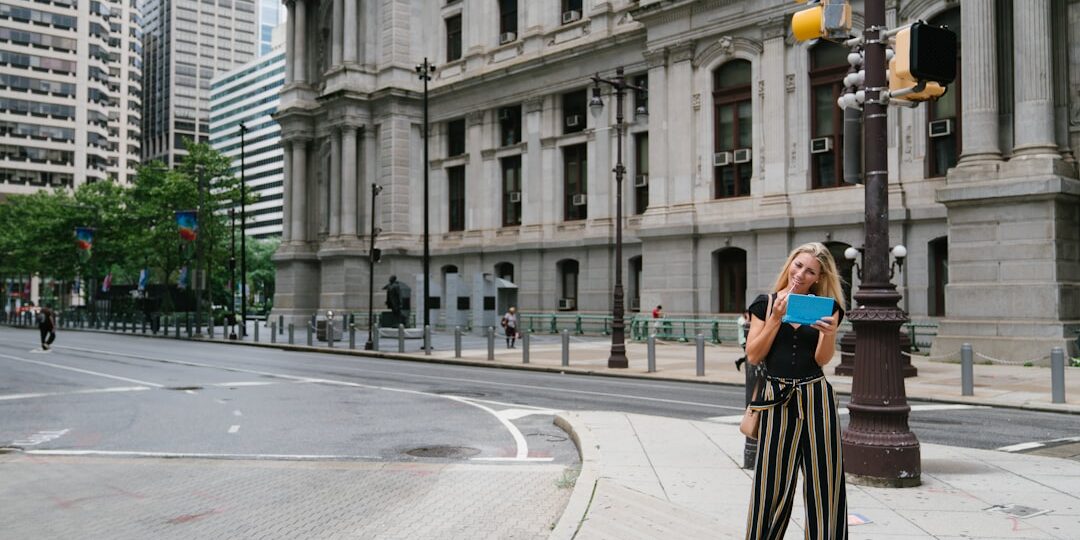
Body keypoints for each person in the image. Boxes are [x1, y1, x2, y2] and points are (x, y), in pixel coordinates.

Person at [743, 242, 847, 539]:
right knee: (770, 484)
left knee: (825, 482)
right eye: (798, 265)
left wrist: (828, 334)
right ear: (790, 264)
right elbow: (753, 354)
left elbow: (822, 360)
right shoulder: (764, 304)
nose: (800, 274)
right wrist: (776, 318)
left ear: (819, 277)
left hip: (816, 398)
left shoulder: (829, 308)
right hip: (776, 399)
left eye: (810, 271)